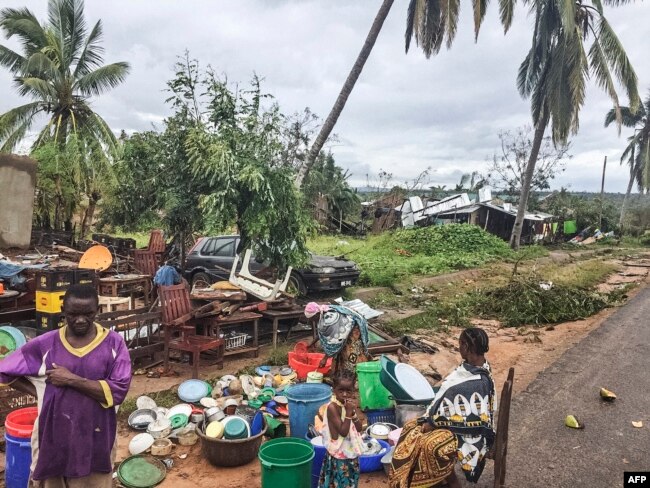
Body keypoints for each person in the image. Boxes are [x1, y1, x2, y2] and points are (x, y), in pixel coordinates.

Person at [0, 284, 132, 488]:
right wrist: (40, 391)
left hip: (95, 438)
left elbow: (119, 390)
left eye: (88, 314)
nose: (80, 320)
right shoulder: (46, 344)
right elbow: (5, 369)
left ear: (97, 311)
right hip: (53, 438)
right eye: (73, 314)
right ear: (63, 311)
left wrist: (71, 379)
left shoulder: (113, 344)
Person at [389, 328, 496, 488]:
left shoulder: (477, 382)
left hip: (469, 433)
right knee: (410, 428)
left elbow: (470, 414)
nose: (459, 348)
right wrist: (431, 419)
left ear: (466, 346)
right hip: (454, 422)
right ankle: (412, 480)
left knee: (428, 445)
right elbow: (450, 401)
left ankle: (440, 481)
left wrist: (433, 423)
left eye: (460, 344)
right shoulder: (470, 367)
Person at [318, 370, 365, 488]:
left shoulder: (347, 405)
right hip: (339, 455)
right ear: (334, 390)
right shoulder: (332, 408)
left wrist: (353, 413)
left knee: (349, 482)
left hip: (349, 452)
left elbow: (359, 428)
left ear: (353, 391)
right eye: (341, 390)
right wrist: (349, 413)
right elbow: (343, 432)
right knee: (339, 482)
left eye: (348, 391)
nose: (344, 394)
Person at [309, 304, 372, 375]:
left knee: (351, 353)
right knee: (341, 352)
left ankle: (357, 375)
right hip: (345, 330)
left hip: (354, 329)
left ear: (316, 315)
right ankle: (342, 374)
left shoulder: (329, 319)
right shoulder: (324, 312)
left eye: (311, 319)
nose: (310, 321)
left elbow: (334, 343)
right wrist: (312, 343)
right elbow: (325, 332)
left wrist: (325, 359)